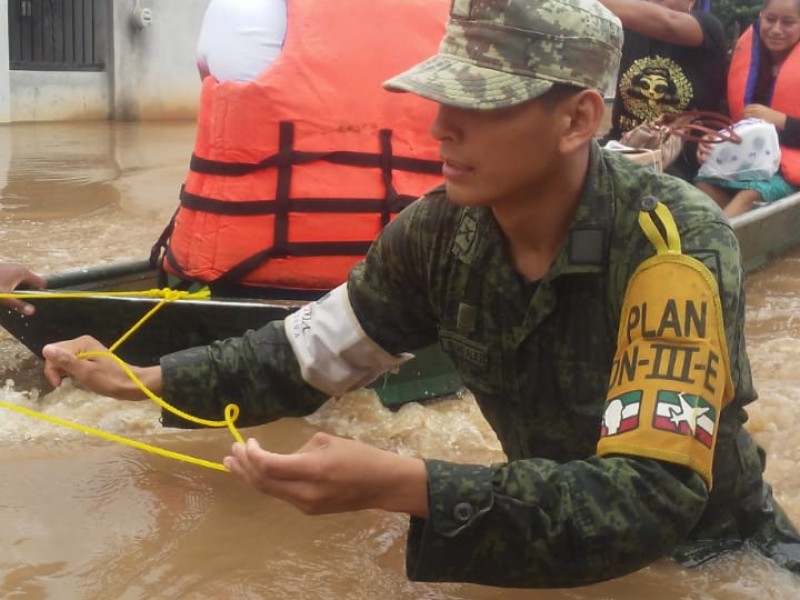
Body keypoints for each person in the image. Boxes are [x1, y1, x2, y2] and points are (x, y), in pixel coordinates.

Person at [42, 0, 800, 588]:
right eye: (442, 97)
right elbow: (303, 355)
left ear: (577, 119)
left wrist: (408, 485)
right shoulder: (437, 234)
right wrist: (141, 381)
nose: (440, 126)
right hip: (542, 540)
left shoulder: (673, 244)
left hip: (715, 563)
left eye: (481, 103)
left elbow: (650, 501)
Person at [151, 0, 448, 299]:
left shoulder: (241, 8)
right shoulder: (466, 16)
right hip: (423, 276)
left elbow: (213, 92)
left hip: (249, 271)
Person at [599, 0, 729, 181]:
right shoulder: (628, 28)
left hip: (681, 156)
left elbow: (669, 23)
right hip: (623, 143)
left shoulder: (709, 28)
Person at [695, 0, 800, 217]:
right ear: (761, 16)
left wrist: (780, 120)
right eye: (770, 20)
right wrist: (713, 139)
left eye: (788, 23)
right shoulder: (747, 55)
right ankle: (732, 233)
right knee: (702, 186)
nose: (776, 29)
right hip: (748, 161)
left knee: (749, 194)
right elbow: (726, 116)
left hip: (788, 170)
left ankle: (712, 245)